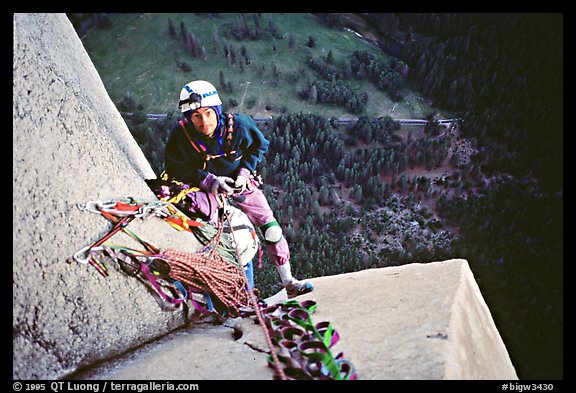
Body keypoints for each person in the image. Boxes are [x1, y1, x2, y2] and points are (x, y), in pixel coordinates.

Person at [164, 80, 313, 298]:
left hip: (237, 180)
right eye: (196, 116)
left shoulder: (240, 126)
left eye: (208, 113)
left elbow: (259, 145)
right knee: (214, 237)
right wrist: (209, 182)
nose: (204, 121)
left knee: (270, 227)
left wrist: (244, 173)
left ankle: (288, 280)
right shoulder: (181, 136)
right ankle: (229, 293)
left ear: (217, 111)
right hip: (204, 186)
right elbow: (174, 167)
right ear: (188, 118)